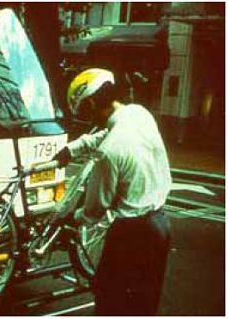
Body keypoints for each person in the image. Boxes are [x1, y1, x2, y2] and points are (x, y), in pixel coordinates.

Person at [53, 68, 172, 315]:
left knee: (110, 300)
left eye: (85, 110)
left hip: (130, 235)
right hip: (161, 225)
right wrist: (73, 149)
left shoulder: (108, 153)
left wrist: (70, 219)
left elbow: (95, 209)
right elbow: (108, 132)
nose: (86, 118)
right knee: (144, 304)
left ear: (93, 102)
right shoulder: (139, 114)